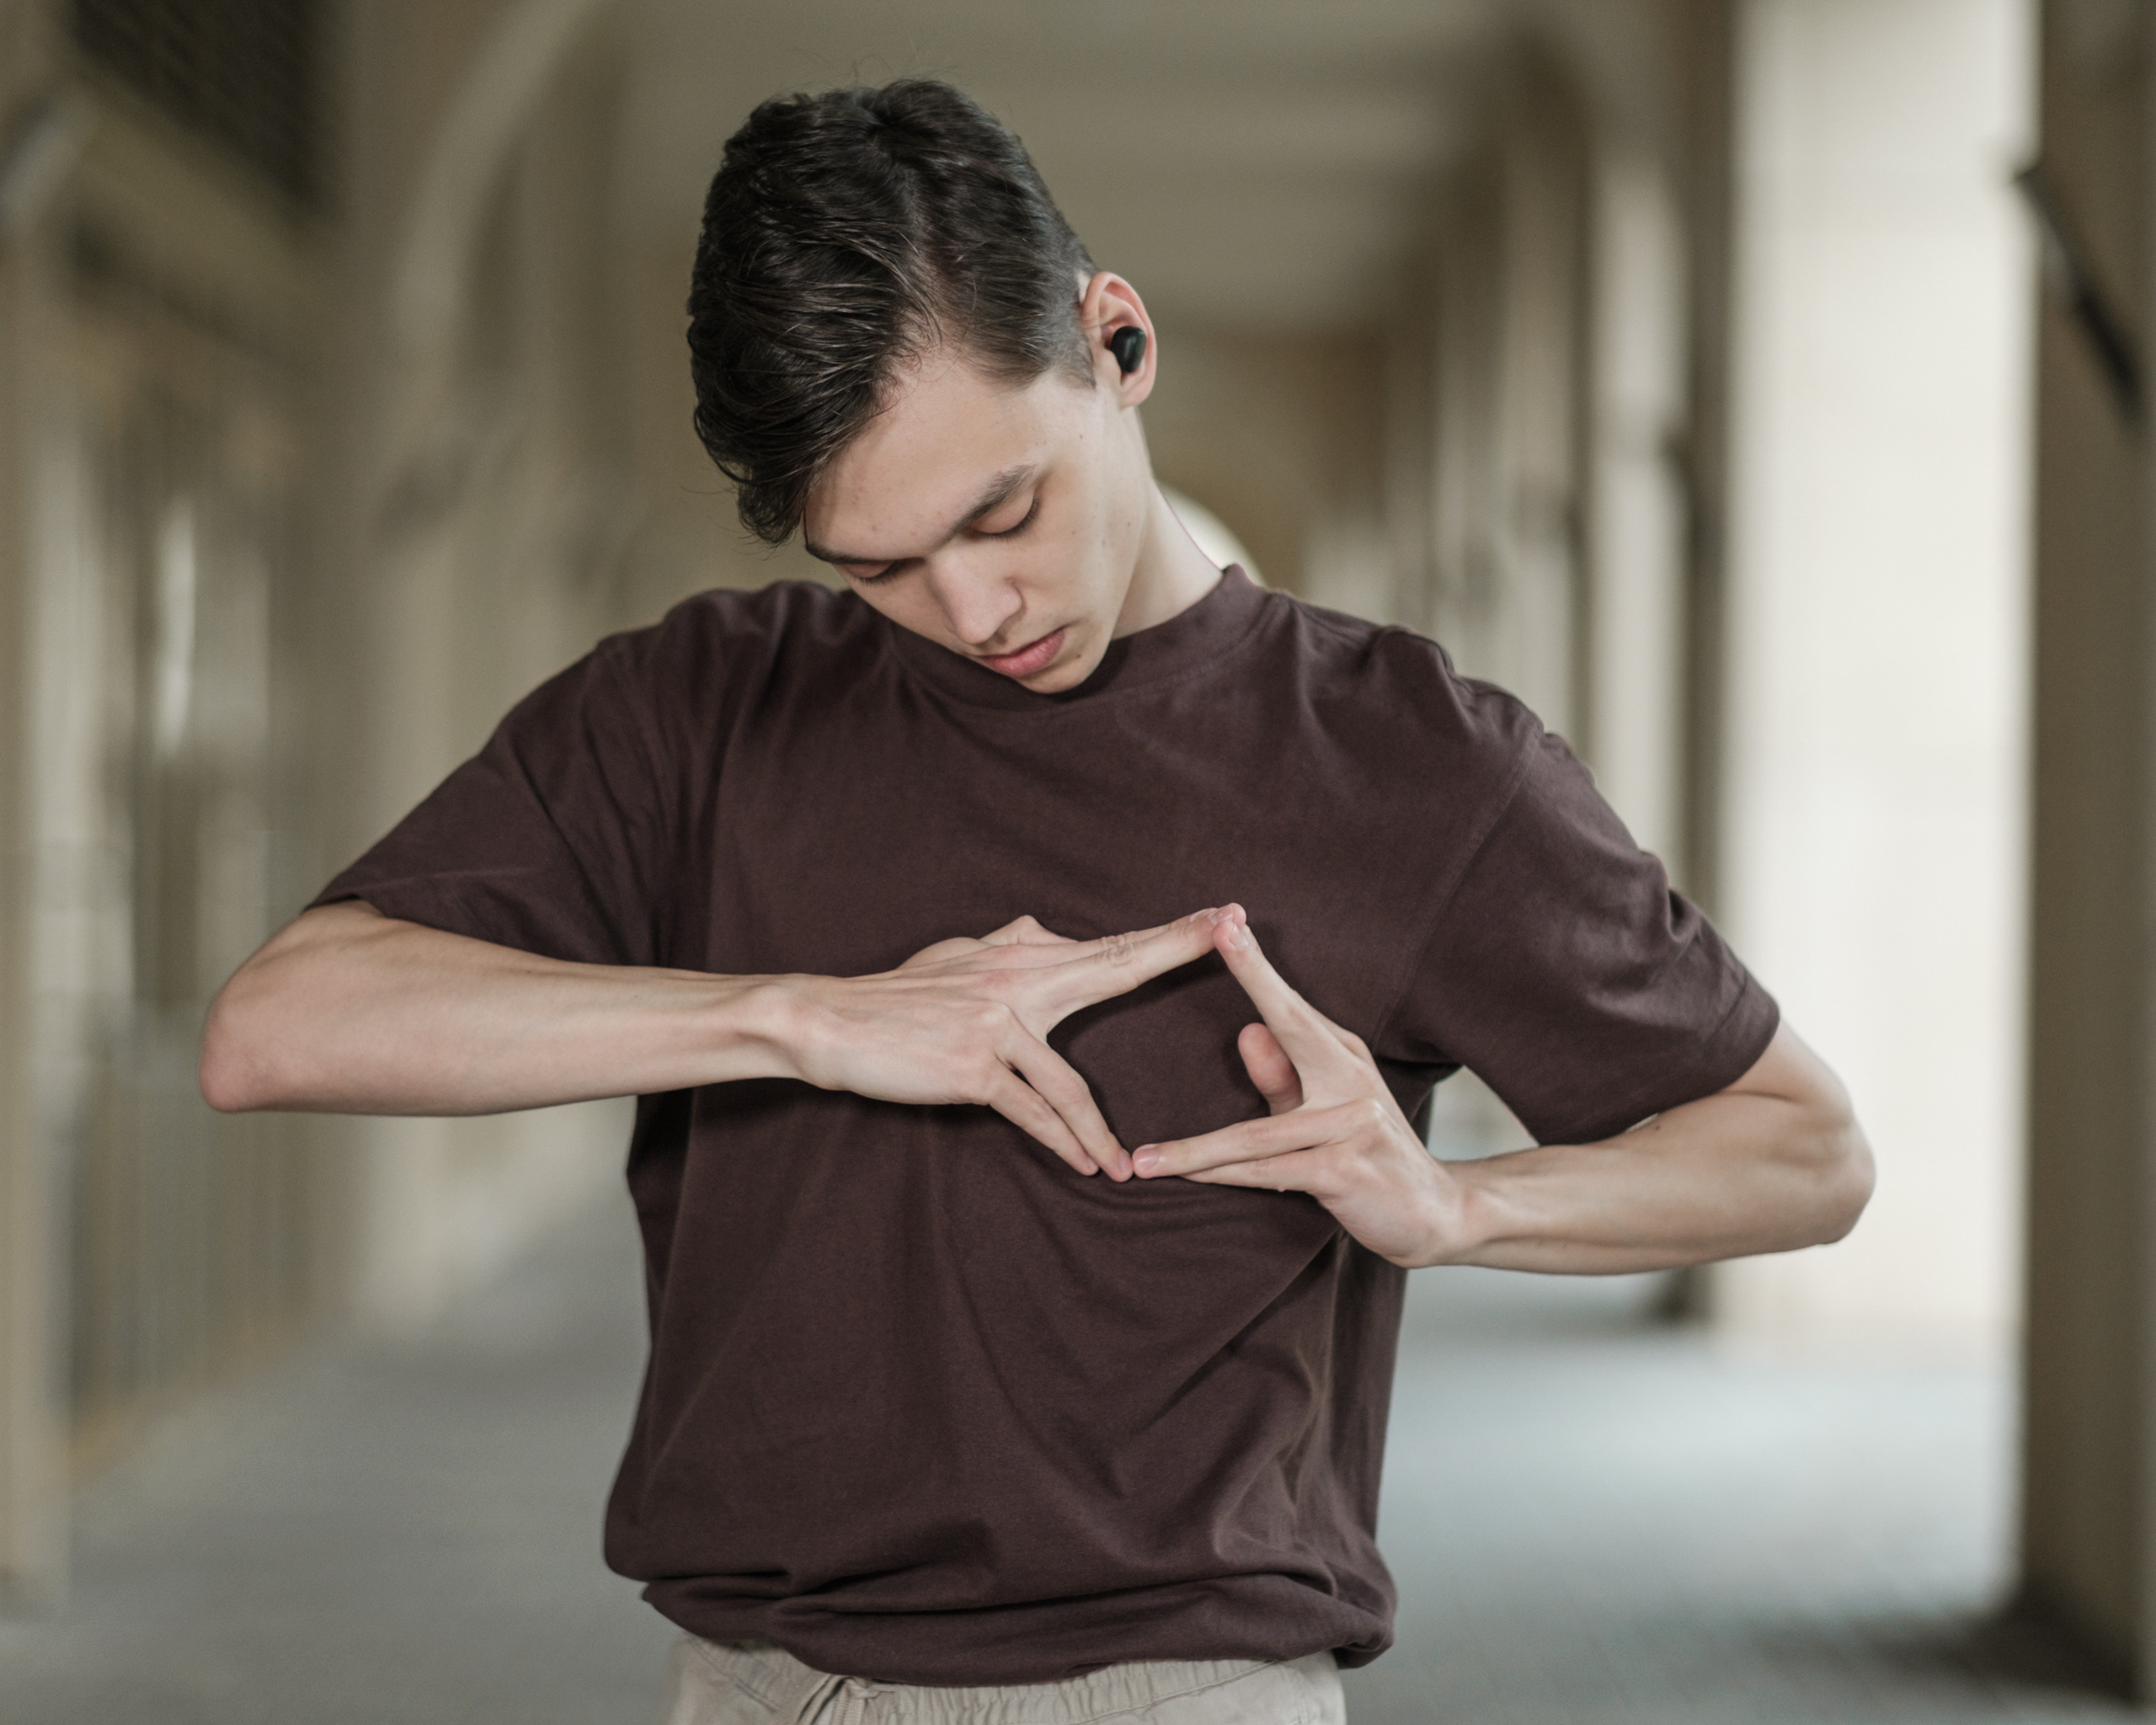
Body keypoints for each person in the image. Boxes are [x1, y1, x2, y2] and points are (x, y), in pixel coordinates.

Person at [200, 78, 1872, 1725]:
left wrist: (1458, 1206)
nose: (971, 604)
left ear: (1114, 344)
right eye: (876, 566)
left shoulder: (1408, 761)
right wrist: (799, 1016)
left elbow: (1800, 1150)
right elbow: (279, 1025)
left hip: (1181, 1688)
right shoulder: (700, 705)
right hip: (757, 1686)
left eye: (1003, 510)